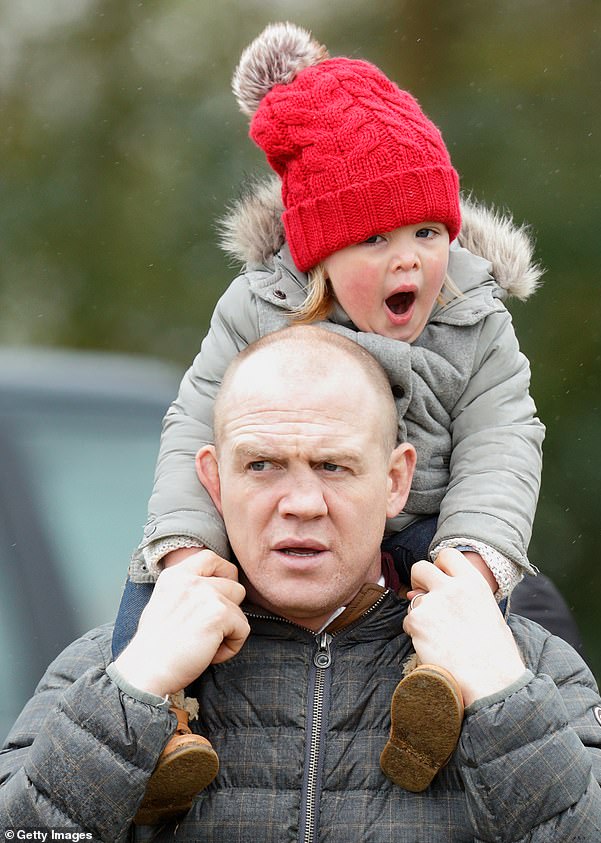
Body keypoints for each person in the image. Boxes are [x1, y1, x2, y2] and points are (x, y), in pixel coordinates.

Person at [113, 20, 551, 812]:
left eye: (427, 232)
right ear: (317, 252)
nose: (410, 258)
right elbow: (194, 429)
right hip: (277, 543)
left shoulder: (473, 319)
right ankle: (158, 726)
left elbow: (503, 440)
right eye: (375, 238)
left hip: (428, 530)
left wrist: (475, 559)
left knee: (496, 609)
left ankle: (437, 703)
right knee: (158, 591)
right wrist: (185, 553)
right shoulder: (261, 310)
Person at [1, 327, 601, 842]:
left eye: (332, 466)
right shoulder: (108, 666)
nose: (301, 502)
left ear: (395, 482)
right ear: (215, 481)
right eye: (262, 466)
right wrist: (131, 691)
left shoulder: (530, 666)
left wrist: (501, 698)